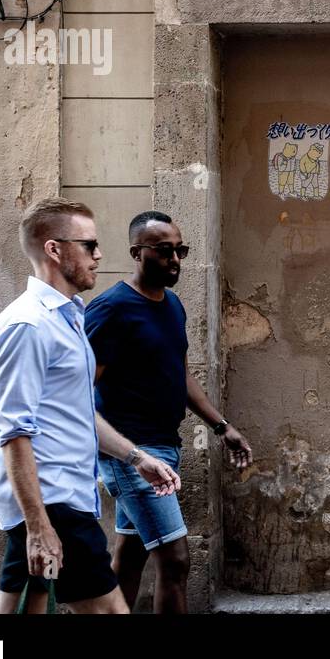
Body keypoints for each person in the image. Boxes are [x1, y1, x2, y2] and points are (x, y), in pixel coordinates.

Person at [0, 198, 181, 614]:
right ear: (55, 250)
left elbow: (77, 412)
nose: (99, 254)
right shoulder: (28, 326)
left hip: (63, 501)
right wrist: (38, 526)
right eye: (89, 245)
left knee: (23, 609)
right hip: (53, 504)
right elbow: (13, 431)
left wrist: (136, 457)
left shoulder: (68, 317)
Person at [86, 210, 252, 613]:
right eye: (164, 251)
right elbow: (76, 388)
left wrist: (220, 425)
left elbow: (178, 373)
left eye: (181, 250)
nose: (175, 259)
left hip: (164, 447)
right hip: (131, 453)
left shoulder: (172, 305)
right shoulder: (111, 309)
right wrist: (124, 452)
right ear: (136, 253)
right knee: (176, 561)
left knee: (130, 557)